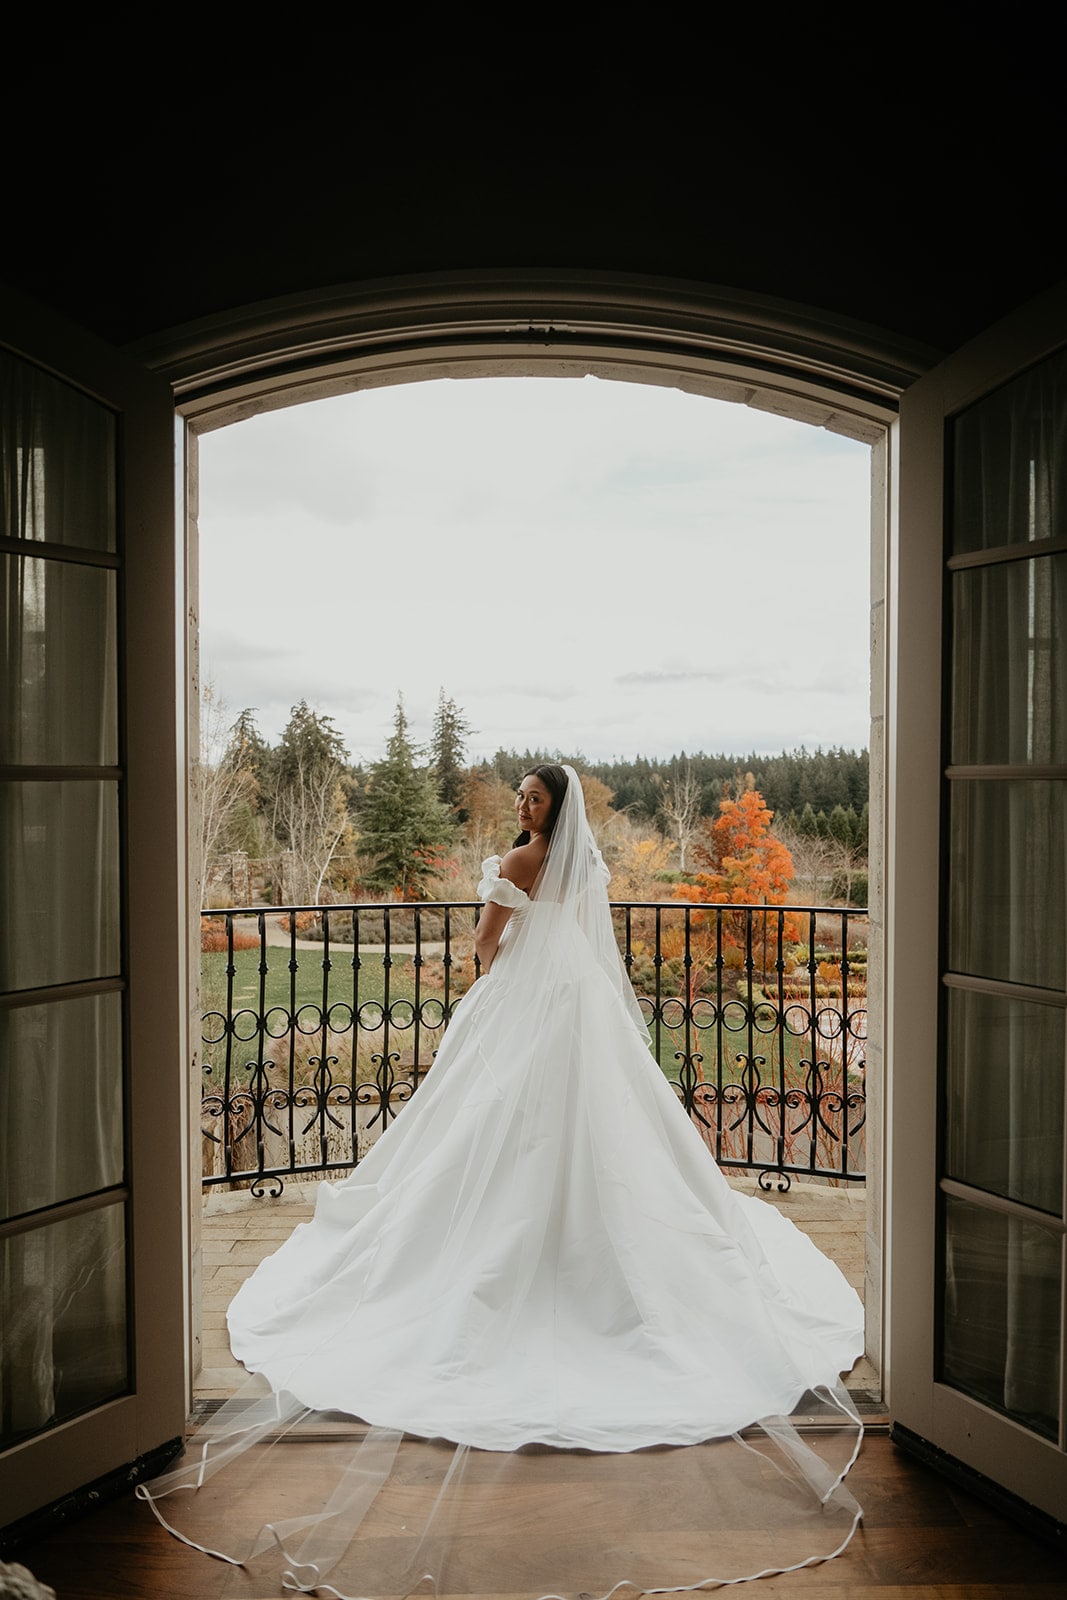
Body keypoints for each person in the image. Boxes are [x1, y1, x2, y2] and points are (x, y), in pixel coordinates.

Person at [142, 763, 865, 1592]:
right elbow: (587, 938)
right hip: (579, 1004)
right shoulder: (585, 864)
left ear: (553, 806)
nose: (524, 806)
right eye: (521, 796)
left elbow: (485, 941)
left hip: (526, 1000)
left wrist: (479, 968)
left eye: (534, 797)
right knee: (595, 1129)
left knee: (493, 1126)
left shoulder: (520, 861)